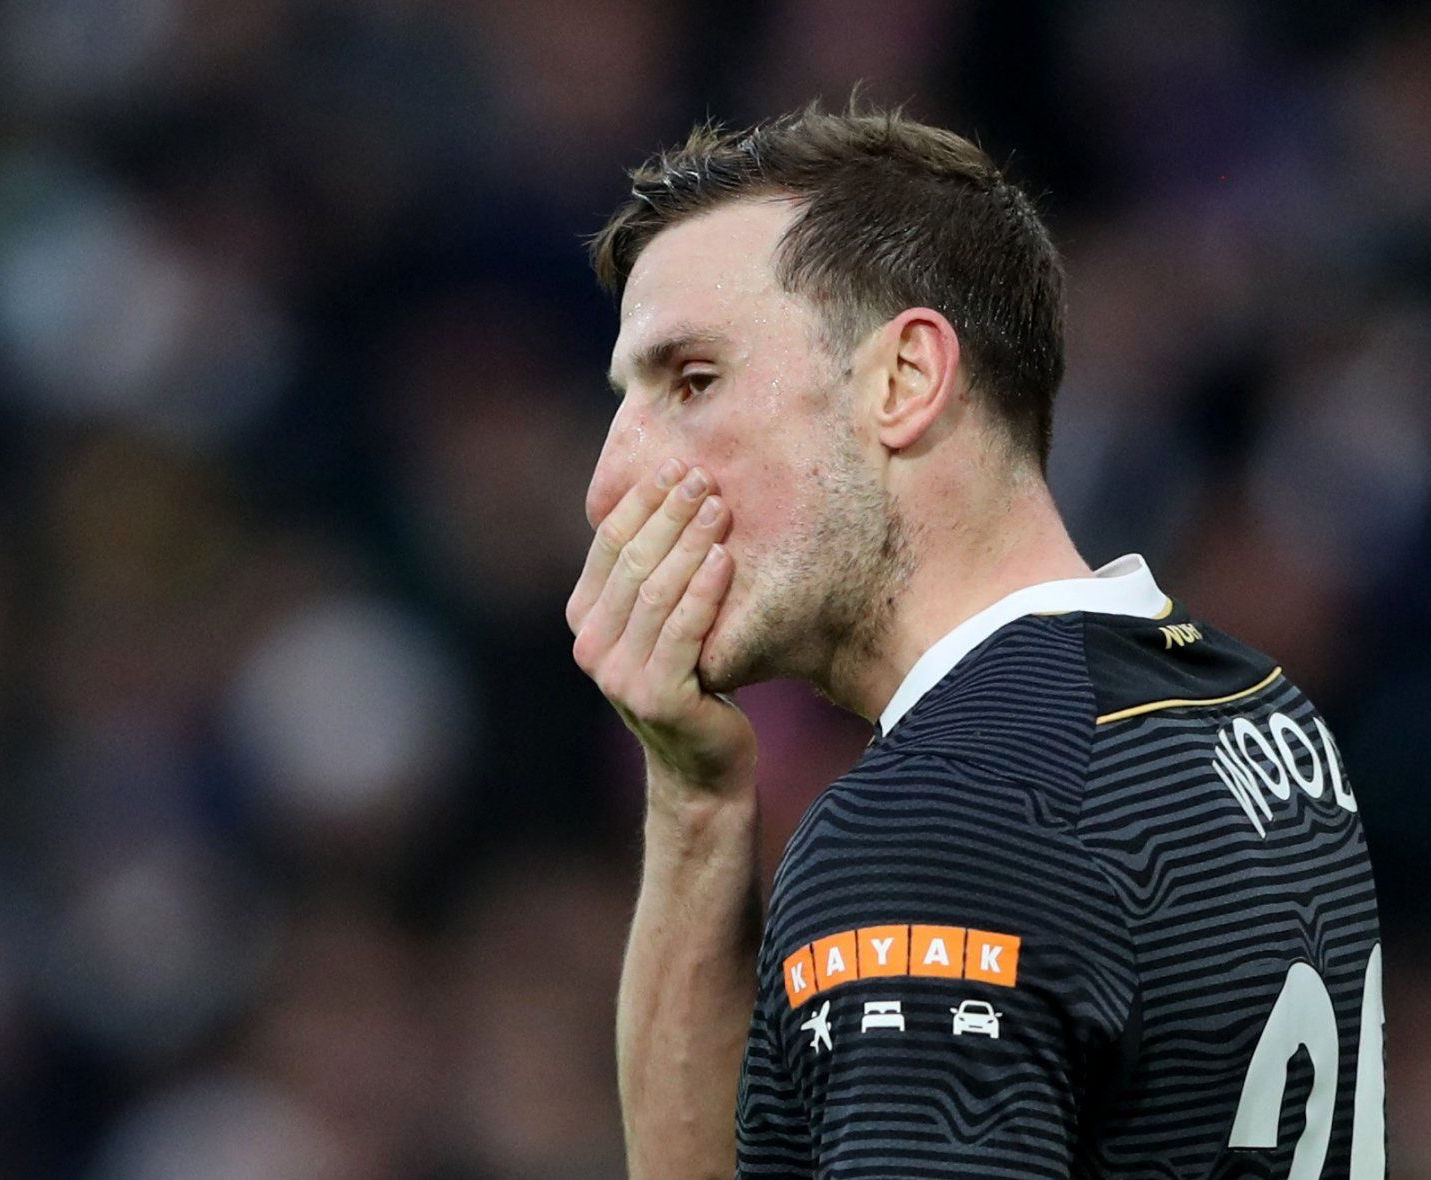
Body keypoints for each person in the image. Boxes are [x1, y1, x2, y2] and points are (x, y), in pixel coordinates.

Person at [566, 102, 1384, 1179]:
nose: (609, 486)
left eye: (693, 381)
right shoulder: (1254, 709)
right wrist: (695, 799)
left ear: (905, 379)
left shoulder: (939, 824)